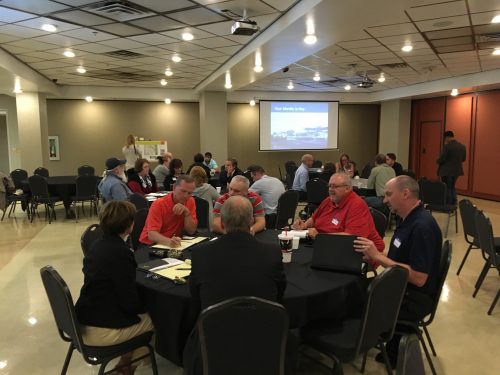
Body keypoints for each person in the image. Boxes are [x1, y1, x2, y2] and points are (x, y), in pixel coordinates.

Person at [183, 195, 286, 375]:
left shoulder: (201, 253)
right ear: (252, 221)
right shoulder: (272, 252)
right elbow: (279, 293)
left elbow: (196, 299)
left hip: (213, 337)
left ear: (221, 223)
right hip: (264, 335)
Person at [354, 175, 442, 367]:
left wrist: (378, 257)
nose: (384, 200)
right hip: (402, 288)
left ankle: (354, 345)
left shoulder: (421, 227)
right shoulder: (409, 219)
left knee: (351, 295)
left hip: (413, 298)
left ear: (405, 194)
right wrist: (376, 254)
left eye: (388, 195)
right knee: (355, 286)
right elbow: (401, 257)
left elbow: (418, 278)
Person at [75, 201, 154, 375]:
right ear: (129, 226)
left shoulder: (98, 245)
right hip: (101, 329)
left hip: (83, 318)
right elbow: (130, 304)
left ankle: (125, 364)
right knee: (158, 319)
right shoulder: (119, 253)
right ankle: (128, 367)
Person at [292, 173, 385, 253]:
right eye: (329, 186)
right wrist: (304, 225)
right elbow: (314, 218)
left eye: (335, 186)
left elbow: (352, 238)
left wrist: (320, 237)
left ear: (347, 189)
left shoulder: (356, 205)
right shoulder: (329, 200)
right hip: (325, 245)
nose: (331, 189)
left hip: (355, 251)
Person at [139, 175, 197, 248]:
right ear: (174, 187)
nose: (186, 196)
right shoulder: (158, 204)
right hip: (150, 245)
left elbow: (191, 231)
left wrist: (187, 214)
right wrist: (169, 241)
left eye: (189, 193)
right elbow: (152, 235)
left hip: (173, 242)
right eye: (183, 191)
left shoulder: (190, 201)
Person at [437, 131, 466, 205]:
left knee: (447, 188)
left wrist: (437, 160)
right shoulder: (462, 146)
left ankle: (448, 205)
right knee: (452, 187)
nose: (445, 140)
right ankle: (454, 203)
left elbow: (442, 159)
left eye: (445, 139)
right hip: (457, 171)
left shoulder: (447, 146)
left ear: (447, 137)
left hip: (446, 171)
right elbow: (463, 159)